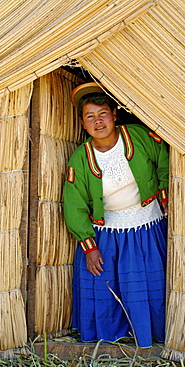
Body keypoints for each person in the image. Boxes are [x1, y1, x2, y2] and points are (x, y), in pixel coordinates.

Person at [63, 82, 169, 348]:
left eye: (103, 113)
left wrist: (165, 194)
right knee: (107, 287)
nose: (98, 121)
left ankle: (152, 335)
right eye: (90, 116)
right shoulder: (80, 159)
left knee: (151, 285)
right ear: (83, 123)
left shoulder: (138, 137)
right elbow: (73, 204)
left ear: (114, 114)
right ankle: (114, 337)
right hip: (107, 232)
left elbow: (163, 160)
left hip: (147, 225)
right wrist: (89, 247)